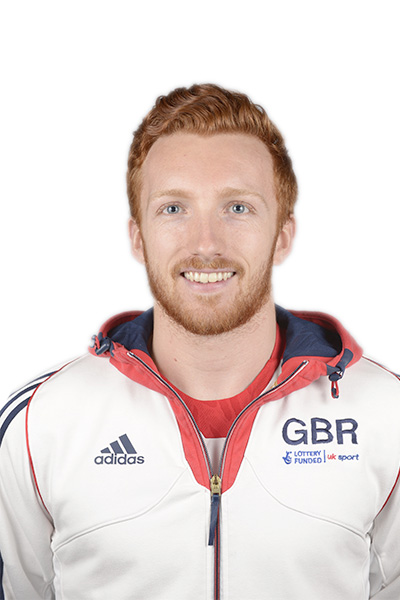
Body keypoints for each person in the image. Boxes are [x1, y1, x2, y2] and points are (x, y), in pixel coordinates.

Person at [0, 83, 399, 600]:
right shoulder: (41, 425)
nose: (206, 243)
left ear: (282, 235)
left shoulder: (386, 415)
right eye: (173, 209)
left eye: (238, 208)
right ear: (138, 237)